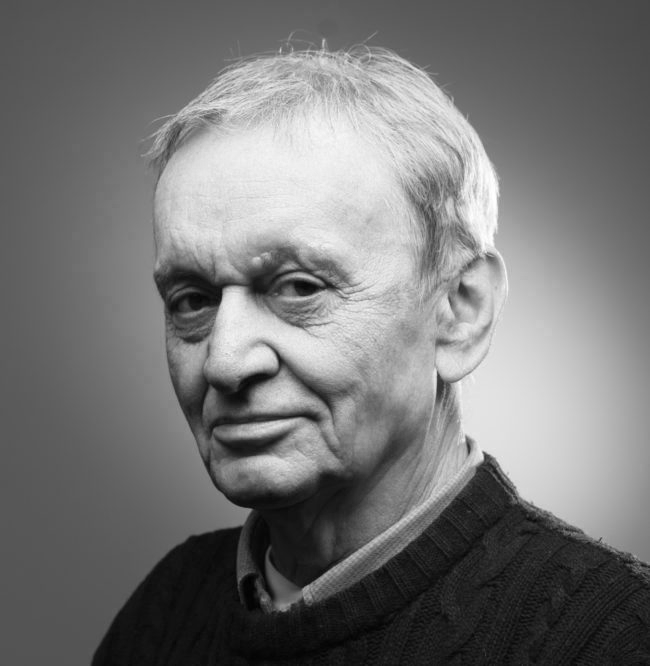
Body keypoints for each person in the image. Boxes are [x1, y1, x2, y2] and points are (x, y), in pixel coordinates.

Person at [93, 46, 650, 664]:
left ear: (460, 311)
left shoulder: (613, 637)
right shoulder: (166, 609)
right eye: (192, 300)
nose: (224, 362)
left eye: (299, 288)